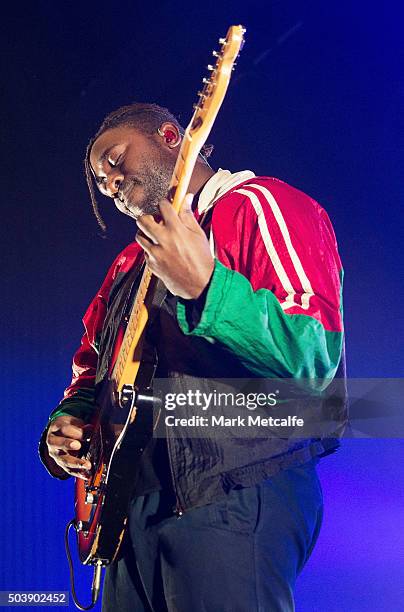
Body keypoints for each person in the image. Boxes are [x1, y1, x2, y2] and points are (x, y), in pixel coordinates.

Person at [39, 103, 347, 611]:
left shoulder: (257, 203)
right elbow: (93, 368)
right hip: (127, 512)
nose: (109, 182)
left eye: (115, 160)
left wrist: (207, 287)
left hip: (233, 487)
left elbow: (313, 360)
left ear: (168, 136)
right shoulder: (128, 264)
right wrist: (68, 421)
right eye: (99, 180)